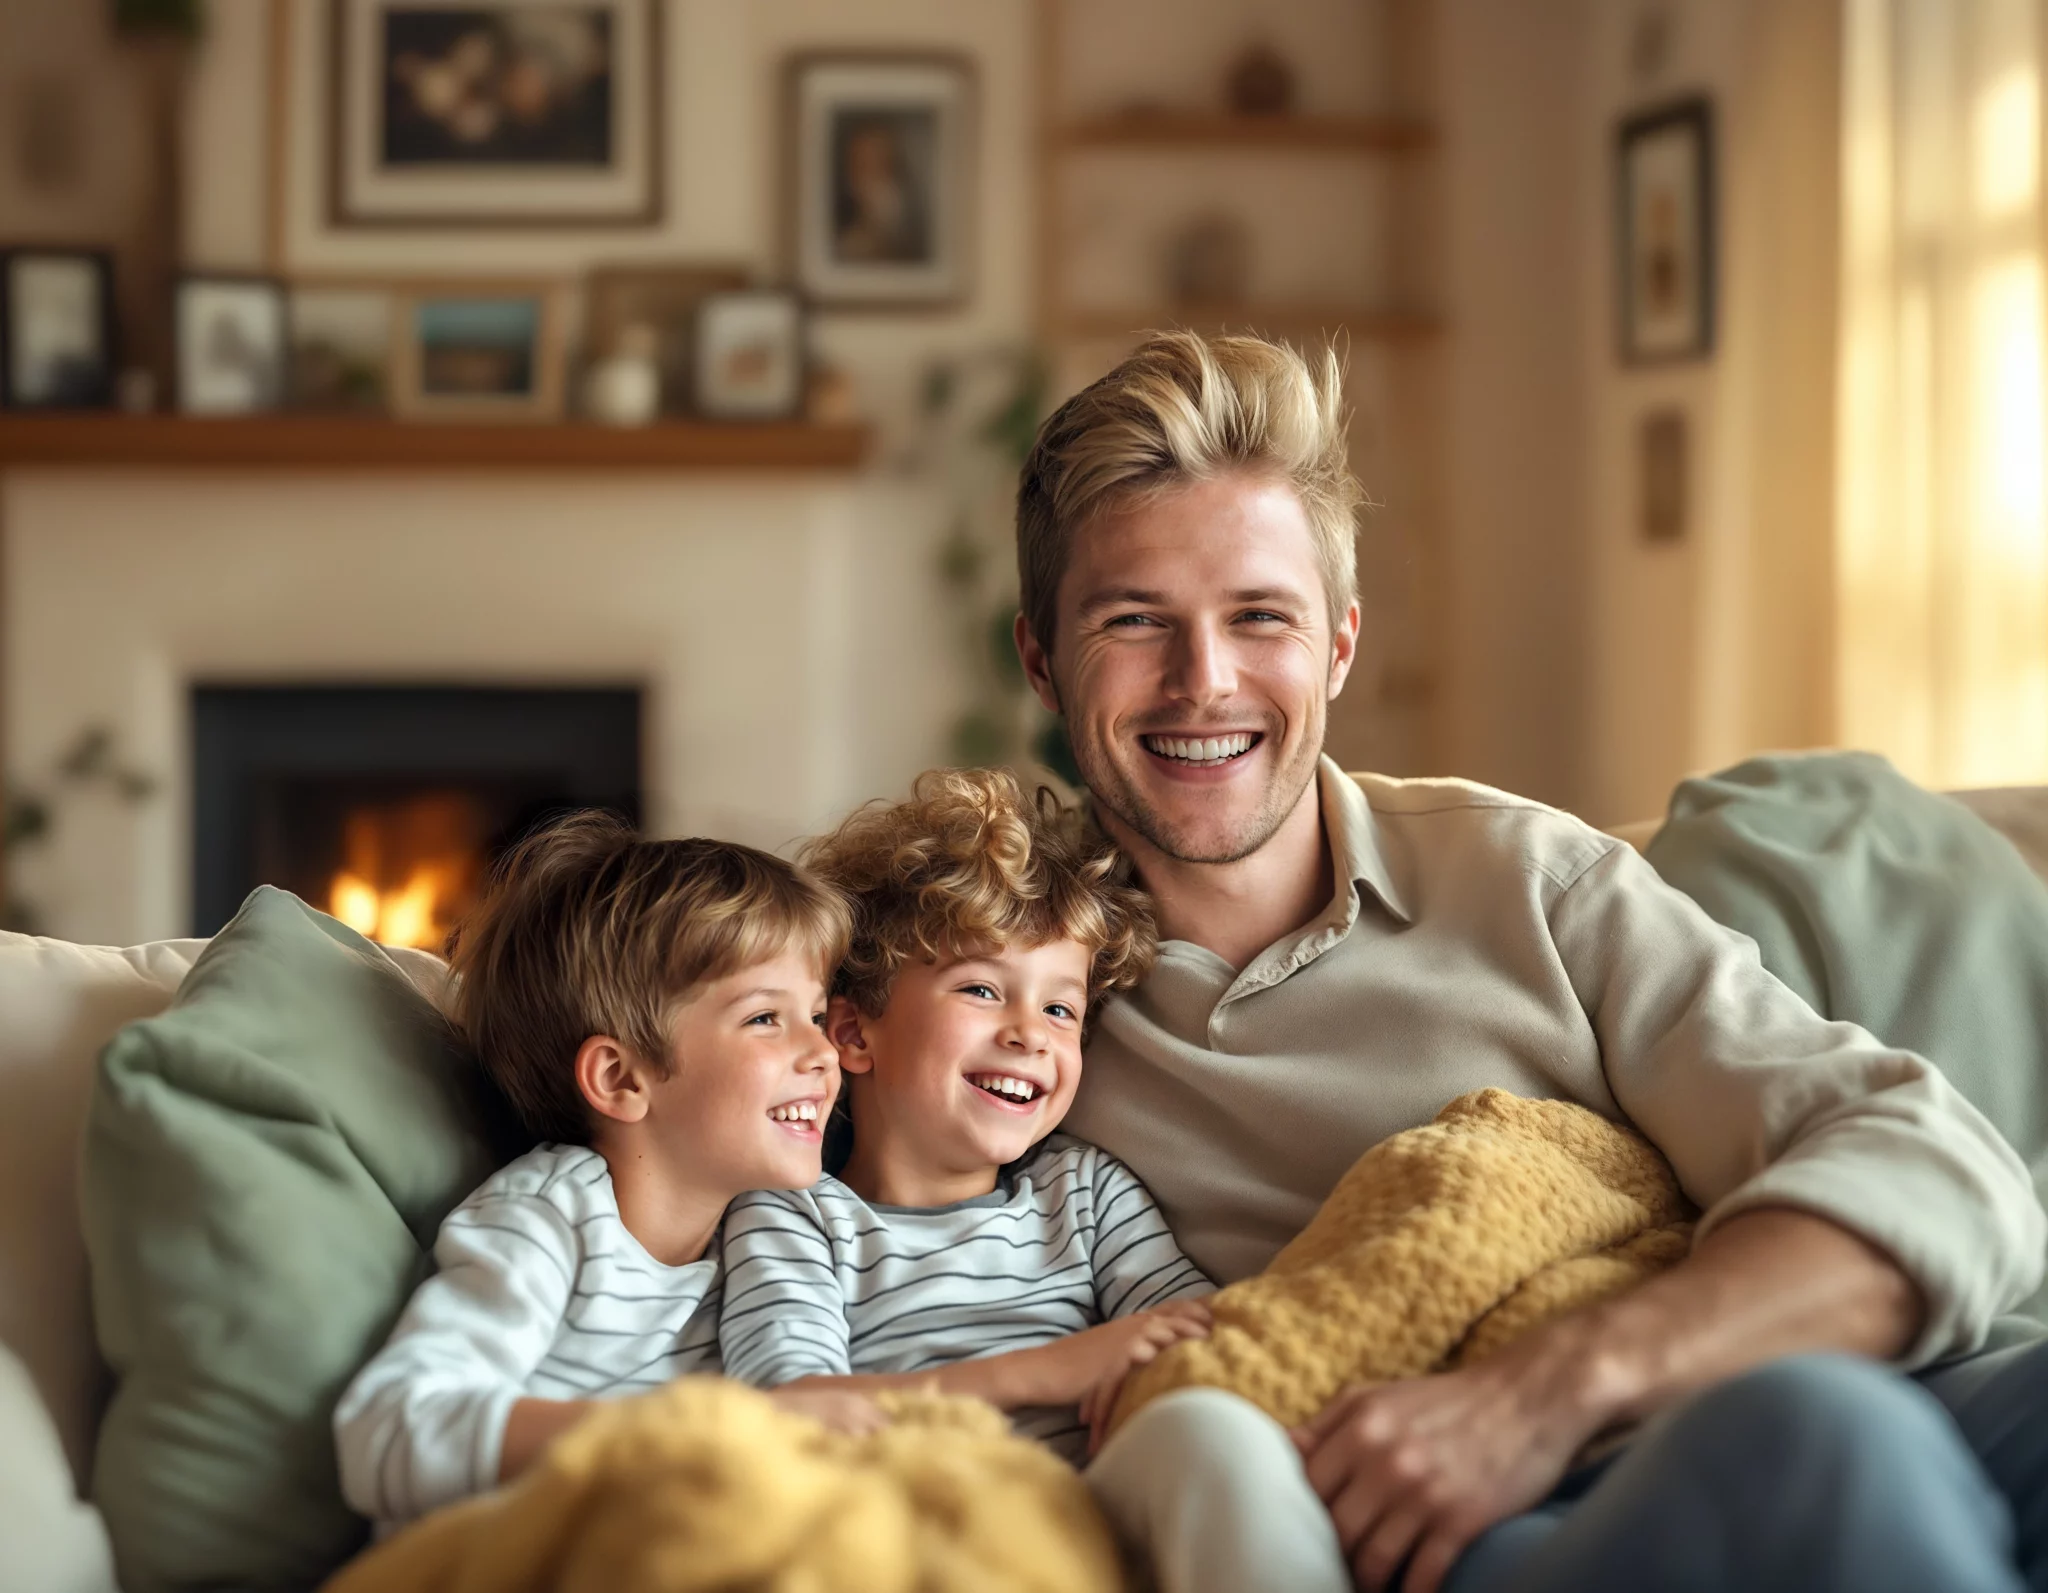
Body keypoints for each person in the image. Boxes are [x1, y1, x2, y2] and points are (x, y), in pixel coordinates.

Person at [1012, 330, 2048, 1593]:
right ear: (1039, 662)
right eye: (1134, 622)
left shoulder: (1528, 879)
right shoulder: (982, 976)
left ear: (1337, 646)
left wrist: (1550, 1389)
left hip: (1810, 1379)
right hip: (1522, 1520)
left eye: (1257, 618)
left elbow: (1934, 1167)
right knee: (1820, 1439)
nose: (1204, 681)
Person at [717, 767, 1356, 1592]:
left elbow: (1200, 1335)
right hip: (916, 1529)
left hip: (1101, 1516)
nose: (1030, 1034)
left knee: (1211, 1430)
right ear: (854, 1031)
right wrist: (1038, 1372)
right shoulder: (794, 1214)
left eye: (1061, 1009)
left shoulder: (1084, 1194)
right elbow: (787, 1413)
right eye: (982, 989)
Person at [332, 813, 880, 1529]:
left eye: (814, 1013)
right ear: (621, 1077)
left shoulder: (773, 1226)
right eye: (764, 1019)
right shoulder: (551, 1217)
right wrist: (688, 1431)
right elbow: (391, 1428)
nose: (822, 1052)